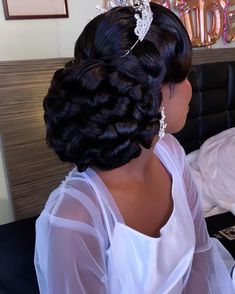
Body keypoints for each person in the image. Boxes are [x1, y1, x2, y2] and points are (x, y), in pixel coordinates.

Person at [34, 2, 235, 293]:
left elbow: (200, 259)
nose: (191, 87)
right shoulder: (74, 219)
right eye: (185, 75)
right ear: (156, 94)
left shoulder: (172, 155)